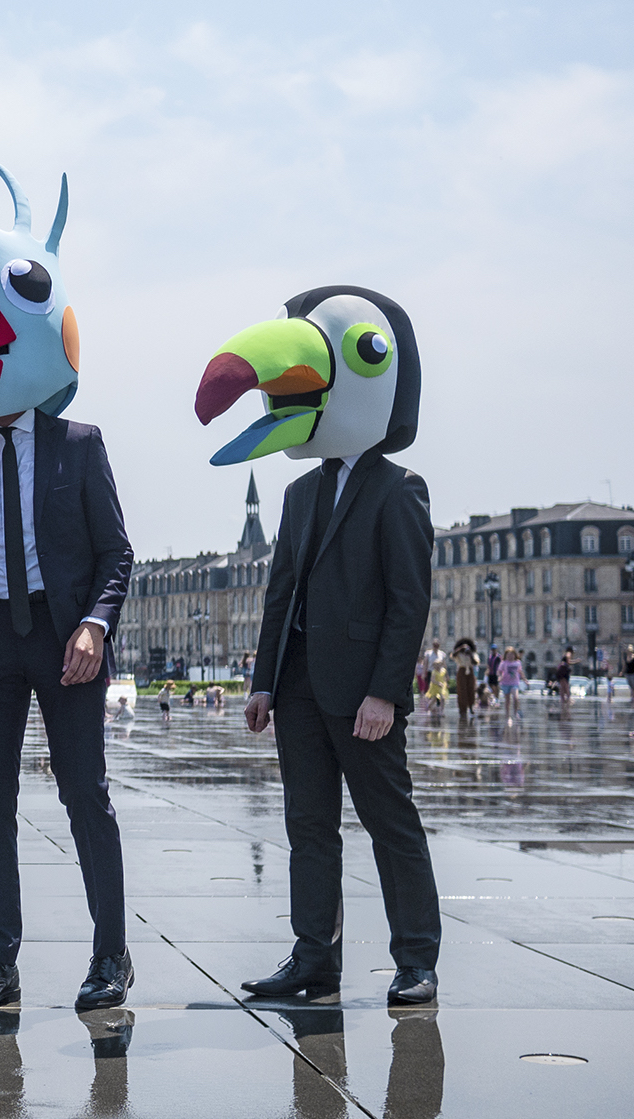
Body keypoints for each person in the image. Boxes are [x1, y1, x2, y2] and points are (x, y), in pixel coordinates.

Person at [209, 285, 441, 1008]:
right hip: (302, 688)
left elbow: (409, 602)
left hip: (360, 692)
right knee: (307, 827)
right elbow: (281, 593)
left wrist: (385, 690)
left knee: (389, 824)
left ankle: (416, 960)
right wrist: (262, 680)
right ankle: (313, 957)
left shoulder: (398, 488)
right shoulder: (298, 494)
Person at [0, 398, 135, 1010]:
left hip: (65, 631)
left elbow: (116, 552)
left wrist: (97, 622)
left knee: (84, 792)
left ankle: (110, 955)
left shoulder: (79, 442)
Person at [451, 638, 478, 720]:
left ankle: (471, 706)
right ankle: (462, 709)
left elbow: (476, 662)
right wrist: (460, 649)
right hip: (461, 671)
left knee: (471, 689)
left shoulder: (472, 653)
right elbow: (453, 656)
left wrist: (471, 655)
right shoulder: (459, 654)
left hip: (470, 671)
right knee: (462, 690)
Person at [499, 646, 525, 723]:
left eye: (512, 655)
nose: (510, 656)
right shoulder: (503, 663)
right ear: (506, 655)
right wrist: (500, 677)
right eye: (508, 655)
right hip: (505, 683)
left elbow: (520, 671)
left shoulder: (517, 663)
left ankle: (515, 713)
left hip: (514, 683)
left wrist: (524, 679)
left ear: (515, 655)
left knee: (516, 697)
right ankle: (508, 715)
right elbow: (499, 671)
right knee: (507, 700)